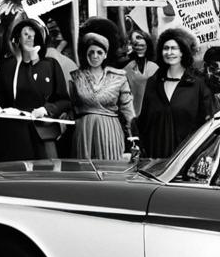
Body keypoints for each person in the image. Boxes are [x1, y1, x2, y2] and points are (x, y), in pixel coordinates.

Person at [0, 15, 69, 161]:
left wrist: (46, 109)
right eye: (26, 34)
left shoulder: (50, 65)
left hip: (42, 133)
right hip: (11, 134)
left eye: (33, 35)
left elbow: (64, 100)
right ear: (18, 37)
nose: (30, 38)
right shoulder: (6, 66)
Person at [137, 26, 214, 160]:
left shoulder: (198, 85)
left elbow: (208, 124)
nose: (169, 52)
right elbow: (144, 122)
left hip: (187, 157)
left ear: (183, 52)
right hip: (156, 158)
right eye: (166, 48)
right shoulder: (153, 83)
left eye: (174, 48)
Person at [69, 32, 137, 160]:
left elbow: (128, 110)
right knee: (85, 171)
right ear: (86, 54)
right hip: (84, 131)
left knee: (110, 168)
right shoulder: (75, 77)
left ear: (105, 54)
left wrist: (133, 137)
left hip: (110, 131)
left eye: (99, 52)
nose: (95, 56)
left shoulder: (118, 77)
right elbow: (70, 106)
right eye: (91, 52)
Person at [123, 29, 158, 115]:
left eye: (139, 37)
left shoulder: (155, 66)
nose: (135, 41)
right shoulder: (128, 67)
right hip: (133, 114)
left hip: (153, 113)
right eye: (133, 39)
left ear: (147, 40)